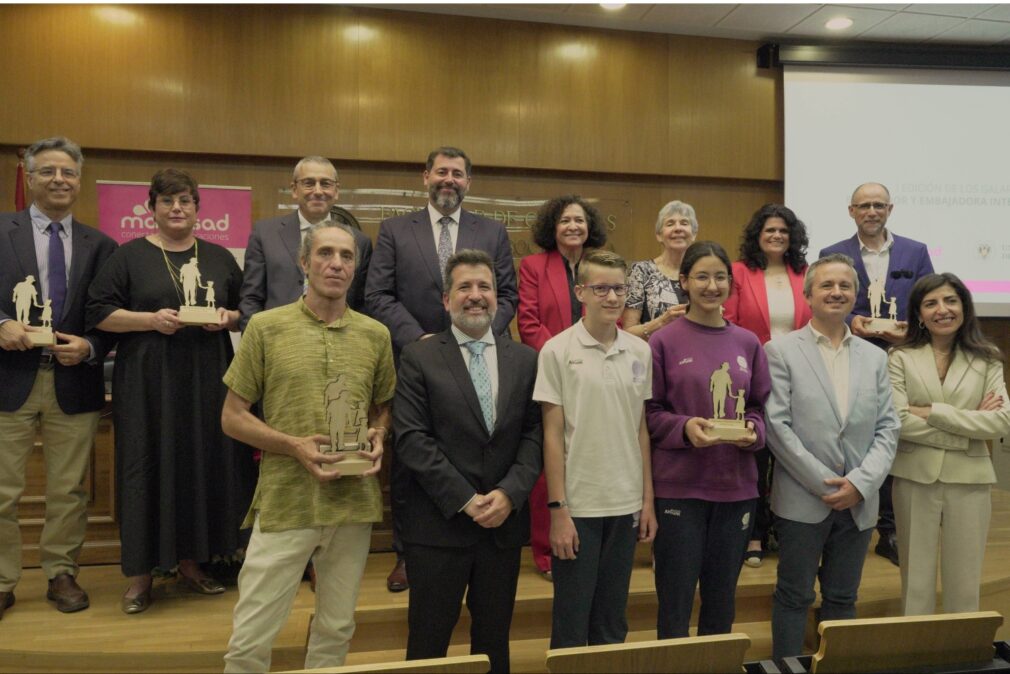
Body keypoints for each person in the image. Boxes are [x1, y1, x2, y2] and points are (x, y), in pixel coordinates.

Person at [221, 221, 394, 672]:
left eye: (346, 256)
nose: (336, 264)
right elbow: (232, 418)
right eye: (325, 254)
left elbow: (382, 408)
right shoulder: (265, 327)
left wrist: (378, 434)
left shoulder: (376, 335)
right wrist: (293, 445)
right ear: (304, 262)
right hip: (286, 503)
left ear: (356, 267)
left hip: (353, 503)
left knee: (337, 628)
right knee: (251, 635)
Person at [87, 168, 255, 614]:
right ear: (151, 208)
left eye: (185, 201)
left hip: (207, 378)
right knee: (146, 466)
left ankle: (192, 564)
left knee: (199, 463)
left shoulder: (219, 257)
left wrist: (230, 319)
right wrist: (150, 320)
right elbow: (99, 313)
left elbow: (249, 312)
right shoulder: (127, 257)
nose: (177, 209)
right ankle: (140, 577)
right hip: (147, 382)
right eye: (167, 202)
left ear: (198, 208)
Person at [366, 146, 518, 592]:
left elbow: (506, 296)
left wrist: (477, 337)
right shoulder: (395, 229)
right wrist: (422, 341)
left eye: (457, 174)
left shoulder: (491, 231)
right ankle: (408, 555)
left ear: (469, 182)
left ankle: (479, 539)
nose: (448, 180)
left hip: (480, 357)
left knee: (479, 447)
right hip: (416, 360)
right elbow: (378, 295)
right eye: (441, 172)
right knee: (412, 456)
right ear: (425, 177)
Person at [395, 249, 542, 673]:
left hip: (502, 526)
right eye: (464, 287)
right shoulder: (419, 357)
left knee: (494, 641)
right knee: (427, 642)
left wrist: (510, 494)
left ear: (498, 297)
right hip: (440, 527)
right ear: (446, 300)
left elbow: (533, 434)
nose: (475, 296)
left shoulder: (525, 360)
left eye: (485, 287)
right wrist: (465, 498)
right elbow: (411, 439)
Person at [0, 136, 117, 619]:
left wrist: (91, 346)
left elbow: (109, 314)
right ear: (29, 178)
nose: (59, 180)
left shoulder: (102, 244)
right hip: (9, 379)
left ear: (79, 180)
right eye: (48, 171)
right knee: (2, 489)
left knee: (68, 489)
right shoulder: (0, 231)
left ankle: (61, 572)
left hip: (75, 382)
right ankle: (3, 579)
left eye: (68, 172)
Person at [764, 253, 899, 659]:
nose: (836, 292)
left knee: (843, 597)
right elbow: (776, 426)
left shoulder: (875, 357)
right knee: (793, 595)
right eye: (826, 285)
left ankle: (838, 665)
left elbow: (888, 427)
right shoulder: (780, 350)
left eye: (845, 286)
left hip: (860, 501)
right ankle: (787, 667)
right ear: (808, 295)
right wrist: (827, 483)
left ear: (857, 295)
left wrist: (859, 484)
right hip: (804, 499)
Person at [646, 241, 770, 639]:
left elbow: (758, 407)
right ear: (683, 282)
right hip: (679, 489)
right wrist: (684, 428)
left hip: (736, 489)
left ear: (730, 284)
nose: (711, 285)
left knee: (721, 601)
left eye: (720, 277)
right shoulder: (662, 341)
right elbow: (650, 413)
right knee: (675, 600)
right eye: (701, 276)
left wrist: (753, 432)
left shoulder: (748, 342)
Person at [534, 249, 657, 648]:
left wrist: (647, 501)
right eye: (601, 288)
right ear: (580, 291)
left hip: (624, 505)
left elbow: (639, 428)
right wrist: (558, 510)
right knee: (572, 620)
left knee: (611, 620)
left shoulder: (640, 351)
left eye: (619, 288)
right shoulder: (556, 350)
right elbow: (552, 435)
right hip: (578, 506)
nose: (612, 297)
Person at [819, 182, 934, 567]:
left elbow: (928, 299)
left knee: (893, 438)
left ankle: (889, 530)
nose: (872, 211)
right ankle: (845, 520)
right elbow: (825, 302)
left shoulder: (914, 251)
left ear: (890, 209)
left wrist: (908, 326)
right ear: (851, 210)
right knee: (854, 435)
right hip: (849, 353)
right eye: (864, 205)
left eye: (879, 205)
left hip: (902, 357)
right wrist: (857, 322)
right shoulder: (832, 254)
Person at [888, 273, 1010, 615]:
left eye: (950, 301)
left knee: (965, 582)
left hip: (970, 479)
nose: (942, 310)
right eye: (931, 303)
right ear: (919, 314)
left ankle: (963, 657)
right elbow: (896, 420)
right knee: (915, 582)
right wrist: (968, 424)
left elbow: (1000, 421)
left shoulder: (987, 359)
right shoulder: (900, 357)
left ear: (964, 307)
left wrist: (931, 412)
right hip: (914, 477)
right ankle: (917, 656)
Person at [517, 195, 607, 581]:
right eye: (566, 220)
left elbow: (609, 315)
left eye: (580, 221)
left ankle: (587, 537)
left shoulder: (600, 267)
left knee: (589, 454)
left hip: (596, 375)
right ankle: (545, 549)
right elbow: (528, 321)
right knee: (548, 461)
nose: (573, 226)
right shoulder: (534, 266)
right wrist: (564, 358)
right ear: (552, 227)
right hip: (551, 372)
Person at [724, 204, 813, 568]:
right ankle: (755, 534)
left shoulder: (806, 273)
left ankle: (789, 530)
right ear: (757, 235)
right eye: (769, 231)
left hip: (802, 375)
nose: (776, 236)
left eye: (783, 231)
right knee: (756, 459)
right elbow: (728, 321)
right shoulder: (739, 273)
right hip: (754, 374)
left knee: (795, 456)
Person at [238, 156, 372, 330]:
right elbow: (251, 298)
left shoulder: (360, 241)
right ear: (294, 189)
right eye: (309, 183)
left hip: (338, 342)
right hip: (277, 340)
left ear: (336, 191)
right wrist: (258, 344)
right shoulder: (265, 234)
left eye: (325, 183)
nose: (317, 191)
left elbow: (362, 304)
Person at [622, 200, 695, 340]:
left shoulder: (701, 274)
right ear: (659, 235)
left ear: (694, 234)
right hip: (653, 357)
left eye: (684, 223)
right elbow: (627, 332)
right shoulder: (641, 271)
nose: (678, 228)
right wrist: (661, 322)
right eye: (670, 223)